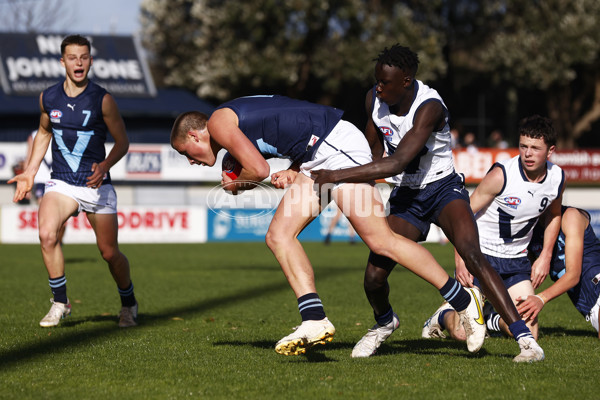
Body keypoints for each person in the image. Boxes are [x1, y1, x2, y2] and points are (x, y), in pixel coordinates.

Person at [170, 94, 485, 357]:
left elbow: (259, 168)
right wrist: (293, 169)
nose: (191, 161)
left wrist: (237, 185)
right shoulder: (226, 120)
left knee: (381, 241)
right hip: (317, 155)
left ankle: (462, 300)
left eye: (187, 152)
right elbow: (286, 121)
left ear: (195, 135)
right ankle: (314, 318)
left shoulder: (217, 124)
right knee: (279, 236)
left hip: (336, 148)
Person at [311, 44, 547, 362]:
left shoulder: (429, 106)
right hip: (407, 197)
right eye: (376, 80)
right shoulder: (373, 99)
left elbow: (397, 162)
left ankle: (526, 343)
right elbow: (374, 151)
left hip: (442, 190)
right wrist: (358, 186)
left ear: (407, 80)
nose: (378, 88)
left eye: (386, 82)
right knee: (373, 277)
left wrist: (336, 175)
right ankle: (384, 324)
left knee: (473, 255)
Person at [8, 34, 138, 328]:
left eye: (83, 57)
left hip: (96, 186)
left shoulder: (103, 99)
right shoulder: (48, 97)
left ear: (90, 61)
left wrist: (105, 165)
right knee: (47, 235)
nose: (78, 62)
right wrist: (30, 171)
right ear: (62, 61)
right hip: (62, 183)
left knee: (109, 253)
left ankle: (129, 303)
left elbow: (122, 142)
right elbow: (43, 133)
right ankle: (60, 302)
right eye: (72, 57)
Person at [421, 115, 564, 346]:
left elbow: (554, 214)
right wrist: (461, 258)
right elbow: (463, 214)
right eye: (523, 146)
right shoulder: (501, 175)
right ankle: (442, 316)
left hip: (516, 262)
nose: (527, 153)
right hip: (481, 257)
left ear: (550, 151)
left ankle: (489, 316)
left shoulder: (557, 178)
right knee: (460, 333)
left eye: (535, 148)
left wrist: (546, 256)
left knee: (530, 331)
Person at [484, 206, 600, 339]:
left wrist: (541, 298)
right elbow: (525, 273)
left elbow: (573, 275)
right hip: (590, 308)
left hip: (597, 284)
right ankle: (488, 317)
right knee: (526, 331)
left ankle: (488, 318)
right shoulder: (530, 228)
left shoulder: (570, 216)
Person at [25, 130, 67, 244]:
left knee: (62, 221)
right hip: (41, 181)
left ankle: (59, 241)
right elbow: (28, 158)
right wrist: (26, 182)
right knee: (47, 216)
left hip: (59, 179)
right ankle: (50, 242)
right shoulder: (34, 135)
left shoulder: (63, 132)